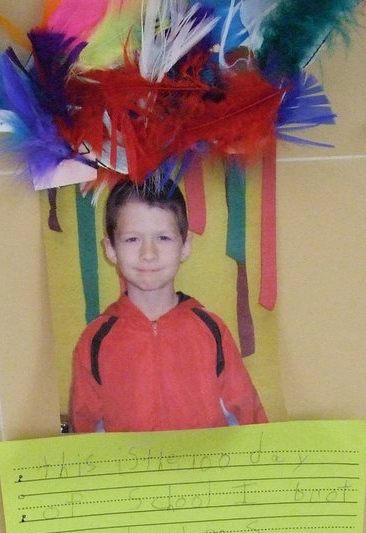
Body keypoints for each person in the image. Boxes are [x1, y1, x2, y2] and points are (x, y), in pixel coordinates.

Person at [69, 177, 267, 433]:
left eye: (163, 238)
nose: (148, 254)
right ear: (111, 249)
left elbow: (250, 419)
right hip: (130, 462)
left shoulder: (212, 330)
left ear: (185, 246)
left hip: (205, 460)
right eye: (132, 239)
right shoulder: (95, 340)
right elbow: (83, 432)